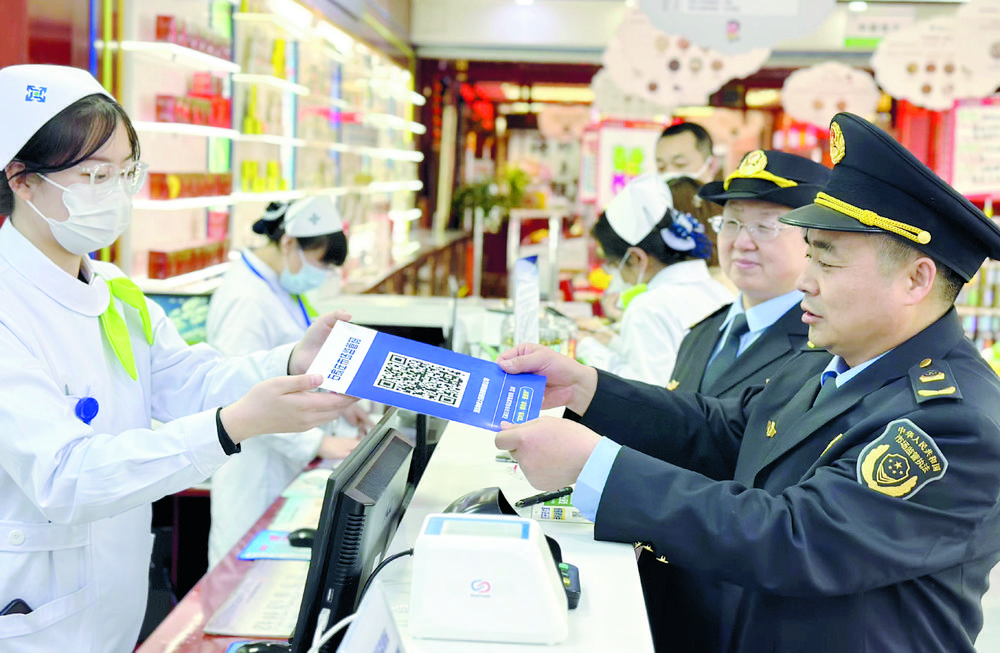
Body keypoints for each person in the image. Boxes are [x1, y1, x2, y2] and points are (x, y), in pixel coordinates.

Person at [495, 112, 1000, 652]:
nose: (804, 281)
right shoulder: (829, 360)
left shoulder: (954, 422)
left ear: (916, 279)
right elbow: (723, 430)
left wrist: (596, 466)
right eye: (809, 255)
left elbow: (797, 538)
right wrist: (586, 388)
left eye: (827, 263)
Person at [0, 64, 357, 652]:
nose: (116, 193)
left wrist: (293, 360)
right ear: (22, 180)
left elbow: (191, 381)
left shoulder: (114, 291)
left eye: (126, 172)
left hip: (113, 606)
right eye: (94, 175)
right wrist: (228, 427)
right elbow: (66, 477)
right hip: (32, 620)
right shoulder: (8, 308)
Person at [642, 150, 832, 652]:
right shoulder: (705, 332)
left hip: (737, 601)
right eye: (730, 222)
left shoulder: (822, 351)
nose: (741, 241)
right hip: (665, 579)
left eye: (767, 226)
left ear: (815, 240)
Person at [205, 195, 373, 568]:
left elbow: (293, 362)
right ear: (288, 243)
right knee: (243, 579)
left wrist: (337, 403)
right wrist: (317, 442)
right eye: (320, 261)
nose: (322, 273)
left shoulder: (280, 289)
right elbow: (241, 393)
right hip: (254, 472)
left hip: (280, 464)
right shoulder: (246, 300)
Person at [576, 173, 733, 384]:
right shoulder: (719, 292)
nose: (614, 273)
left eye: (613, 264)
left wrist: (587, 348)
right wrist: (612, 343)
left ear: (636, 258)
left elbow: (643, 390)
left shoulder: (647, 308)